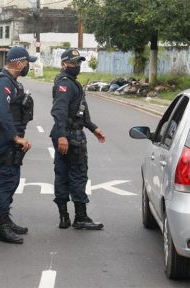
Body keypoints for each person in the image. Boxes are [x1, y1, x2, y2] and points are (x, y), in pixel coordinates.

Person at [50, 48, 106, 230]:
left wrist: (93, 128)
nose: (77, 66)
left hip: (69, 133)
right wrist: (63, 136)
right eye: (74, 62)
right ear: (64, 64)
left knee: (63, 173)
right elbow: (59, 111)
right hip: (70, 135)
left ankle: (65, 217)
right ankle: (78, 217)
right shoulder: (65, 84)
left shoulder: (72, 83)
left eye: (79, 62)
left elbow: (80, 111)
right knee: (77, 174)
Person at [0, 46, 36, 244]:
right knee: (6, 180)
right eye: (26, 63)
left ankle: (6, 219)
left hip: (11, 138)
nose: (27, 66)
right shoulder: (4, 83)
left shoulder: (11, 82)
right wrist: (16, 138)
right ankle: (1, 225)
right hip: (7, 139)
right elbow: (2, 113)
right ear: (18, 62)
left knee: (12, 179)